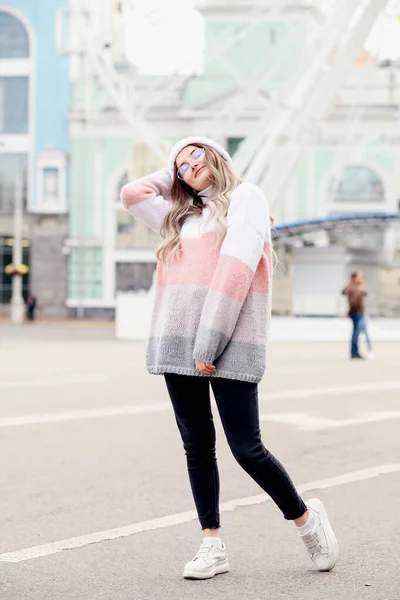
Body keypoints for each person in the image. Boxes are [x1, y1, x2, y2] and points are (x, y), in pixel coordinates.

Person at [121, 137, 338, 580]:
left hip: (227, 342)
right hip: (177, 342)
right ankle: (211, 544)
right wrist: (174, 171)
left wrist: (209, 343)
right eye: (180, 166)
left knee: (247, 448)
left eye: (196, 156)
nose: (188, 168)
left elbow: (235, 272)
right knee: (197, 447)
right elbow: (132, 195)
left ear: (216, 155)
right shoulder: (181, 215)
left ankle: (305, 519)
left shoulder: (246, 198)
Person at [343, 272, 373, 359]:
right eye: (359, 277)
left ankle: (355, 352)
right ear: (355, 278)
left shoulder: (356, 287)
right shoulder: (352, 288)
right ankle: (355, 352)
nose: (361, 278)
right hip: (358, 313)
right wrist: (350, 311)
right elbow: (353, 301)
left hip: (359, 312)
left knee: (357, 332)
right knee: (357, 333)